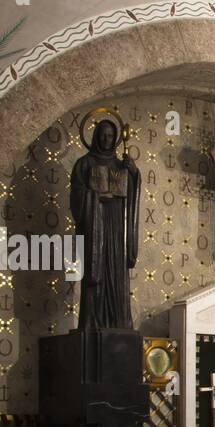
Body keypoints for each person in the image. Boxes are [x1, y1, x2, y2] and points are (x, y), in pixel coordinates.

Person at [70, 117, 139, 329]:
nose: (107, 139)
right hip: (95, 226)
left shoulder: (121, 165)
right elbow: (76, 197)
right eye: (103, 135)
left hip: (116, 227)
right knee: (95, 275)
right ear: (96, 135)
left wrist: (134, 172)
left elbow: (131, 194)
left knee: (117, 275)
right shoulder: (84, 164)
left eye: (111, 136)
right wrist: (96, 197)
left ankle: (118, 322)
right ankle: (93, 324)